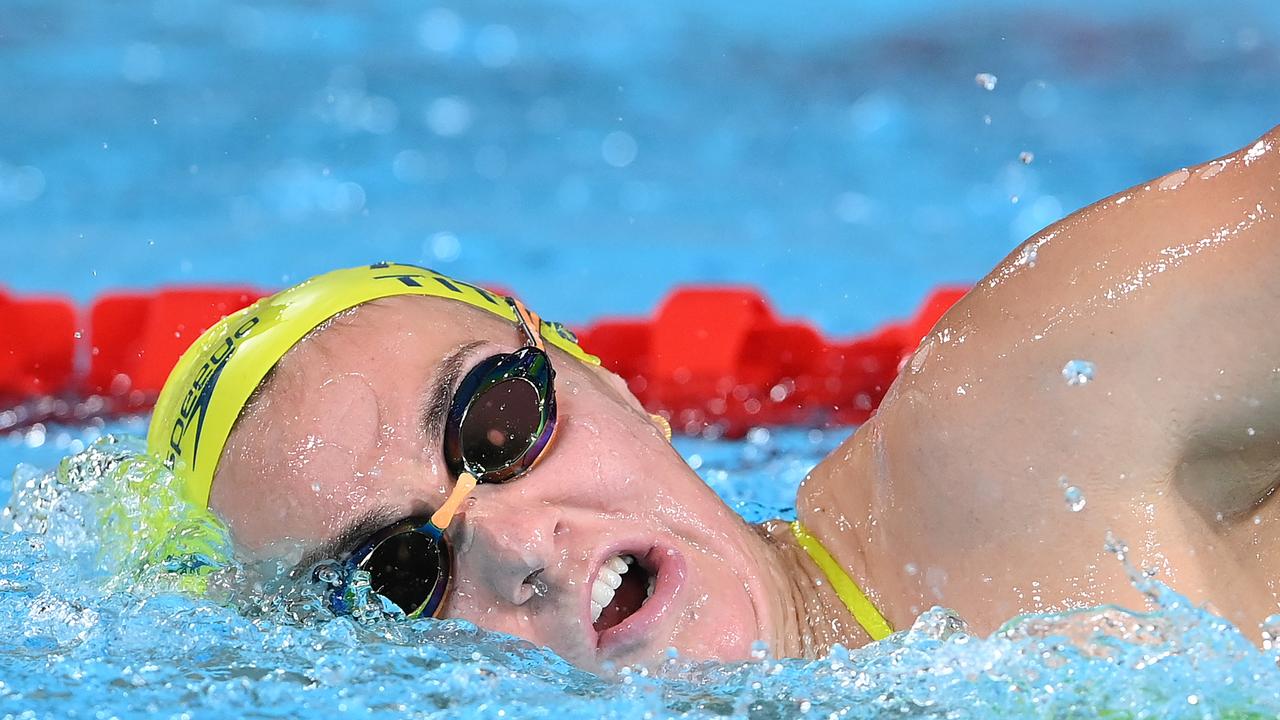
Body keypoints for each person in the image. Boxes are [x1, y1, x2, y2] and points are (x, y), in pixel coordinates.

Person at [148, 124, 1280, 671]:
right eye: (398, 577)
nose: (514, 546)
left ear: (612, 383)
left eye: (492, 428)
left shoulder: (1025, 426)